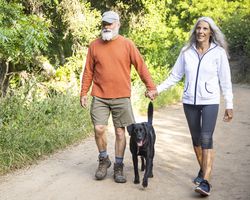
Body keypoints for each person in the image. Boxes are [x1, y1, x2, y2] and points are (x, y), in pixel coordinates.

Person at [147, 17, 233, 196]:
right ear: (195, 31)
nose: (201, 32)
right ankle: (203, 170)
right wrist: (157, 90)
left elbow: (225, 81)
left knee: (206, 138)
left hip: (210, 101)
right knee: (196, 140)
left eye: (205, 29)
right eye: (198, 29)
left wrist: (229, 104)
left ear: (211, 32)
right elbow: (175, 76)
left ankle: (206, 181)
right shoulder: (186, 51)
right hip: (189, 102)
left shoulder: (218, 53)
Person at [80, 11, 156, 183]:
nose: (106, 27)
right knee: (99, 128)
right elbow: (88, 71)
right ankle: (103, 159)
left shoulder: (127, 44)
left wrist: (151, 87)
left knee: (121, 132)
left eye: (110, 23)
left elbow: (140, 66)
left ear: (118, 24)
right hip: (99, 95)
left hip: (121, 96)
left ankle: (119, 166)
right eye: (104, 24)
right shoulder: (94, 46)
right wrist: (84, 92)